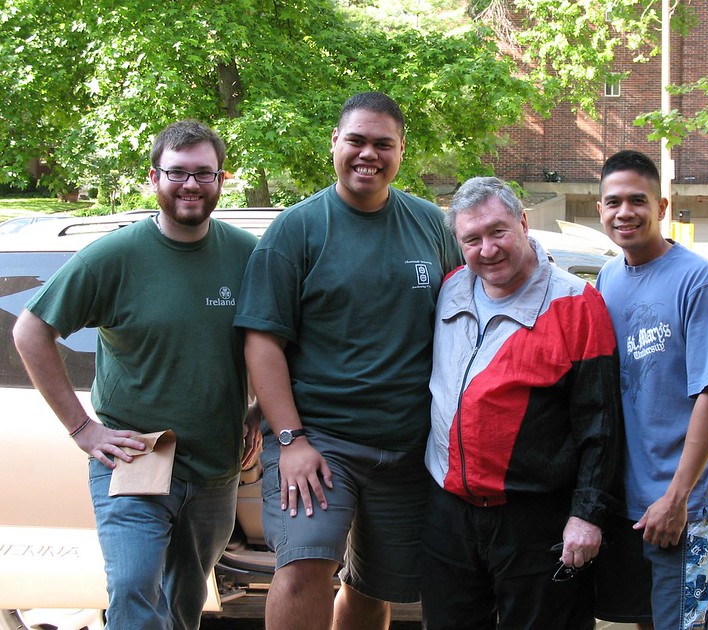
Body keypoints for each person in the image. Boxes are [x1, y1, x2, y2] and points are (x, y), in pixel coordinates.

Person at [12, 120, 262, 630]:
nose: (190, 185)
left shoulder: (246, 254)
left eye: (203, 174)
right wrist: (83, 429)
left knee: (185, 605)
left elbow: (273, 341)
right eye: (177, 173)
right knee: (133, 589)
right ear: (154, 178)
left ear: (221, 179)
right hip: (134, 455)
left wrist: (259, 409)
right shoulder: (114, 256)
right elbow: (30, 331)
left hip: (216, 464)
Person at [234, 91, 463, 630]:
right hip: (319, 439)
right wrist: (289, 440)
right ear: (334, 142)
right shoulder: (297, 229)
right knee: (303, 568)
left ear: (401, 150)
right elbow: (261, 341)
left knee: (374, 586)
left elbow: (468, 317)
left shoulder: (432, 226)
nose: (369, 154)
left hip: (411, 447)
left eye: (383, 144)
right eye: (356, 140)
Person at [421, 176, 624, 629]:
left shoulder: (577, 304)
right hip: (449, 512)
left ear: (524, 223)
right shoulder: (452, 286)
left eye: (498, 232)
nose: (487, 250)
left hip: (537, 520)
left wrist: (587, 516)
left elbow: (602, 424)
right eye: (471, 239)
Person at [593, 150, 708, 629]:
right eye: (613, 202)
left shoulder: (699, 282)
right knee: (649, 621)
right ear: (600, 210)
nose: (625, 212)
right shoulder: (608, 278)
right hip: (633, 507)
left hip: (688, 510)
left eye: (638, 200)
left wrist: (678, 498)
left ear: (663, 206)